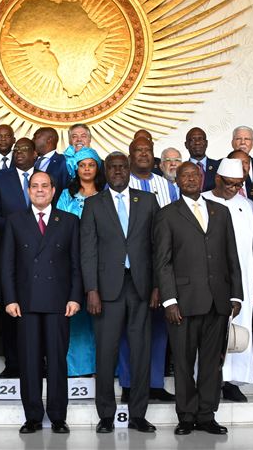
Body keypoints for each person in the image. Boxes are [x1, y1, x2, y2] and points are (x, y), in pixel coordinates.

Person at [153, 162, 243, 435]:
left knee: (211, 364)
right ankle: (186, 416)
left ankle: (206, 415)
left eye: (195, 174)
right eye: (185, 176)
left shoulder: (221, 212)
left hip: (218, 301)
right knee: (182, 362)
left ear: (202, 178)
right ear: (177, 181)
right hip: (182, 302)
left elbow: (232, 256)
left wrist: (236, 294)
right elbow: (163, 262)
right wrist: (169, 300)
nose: (191, 179)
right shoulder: (167, 214)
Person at [81, 152, 159, 434]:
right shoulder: (93, 204)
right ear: (106, 170)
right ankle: (106, 415)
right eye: (112, 167)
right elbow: (87, 250)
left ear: (129, 169)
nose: (117, 171)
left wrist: (157, 286)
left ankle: (138, 414)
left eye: (121, 166)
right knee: (106, 353)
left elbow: (157, 247)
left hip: (141, 287)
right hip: (107, 290)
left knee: (141, 352)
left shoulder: (148, 201)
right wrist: (91, 290)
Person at [1, 171, 82, 434]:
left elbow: (76, 264)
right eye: (34, 186)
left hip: (59, 301)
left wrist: (74, 296)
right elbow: (7, 264)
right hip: (25, 302)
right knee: (29, 361)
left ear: (53, 189)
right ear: (28, 190)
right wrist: (10, 298)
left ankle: (58, 416)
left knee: (58, 361)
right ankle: (33, 416)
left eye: (44, 186)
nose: (39, 190)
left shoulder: (69, 221)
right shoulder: (15, 221)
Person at [119, 138, 175, 402]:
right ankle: (129, 384)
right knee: (125, 329)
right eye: (137, 150)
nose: (143, 154)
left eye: (147, 151)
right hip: (125, 269)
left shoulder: (165, 184)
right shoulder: (119, 183)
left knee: (157, 329)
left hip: (159, 265)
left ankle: (154, 383)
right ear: (130, 155)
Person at [202, 159, 253, 402]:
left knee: (238, 329)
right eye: (229, 184)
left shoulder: (247, 205)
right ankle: (207, 380)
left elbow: (251, 248)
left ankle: (232, 382)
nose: (233, 189)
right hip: (207, 278)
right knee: (208, 330)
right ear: (217, 179)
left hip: (241, 279)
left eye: (238, 185)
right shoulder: (201, 201)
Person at [0, 137, 40, 378]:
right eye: (16, 150)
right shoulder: (1, 179)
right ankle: (12, 363)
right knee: (11, 309)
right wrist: (18, 227)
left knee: (39, 309)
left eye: (24, 149)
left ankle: (40, 362)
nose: (18, 153)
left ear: (35, 154)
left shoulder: (43, 179)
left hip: (42, 256)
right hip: (11, 252)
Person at [56, 147, 103, 377]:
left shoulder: (105, 193)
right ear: (76, 168)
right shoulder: (66, 194)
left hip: (100, 262)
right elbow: (60, 226)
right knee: (76, 316)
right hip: (72, 259)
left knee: (101, 316)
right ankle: (76, 369)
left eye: (91, 165)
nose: (86, 169)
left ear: (97, 168)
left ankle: (102, 367)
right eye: (82, 165)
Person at [33, 127, 69, 200]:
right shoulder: (30, 160)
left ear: (49, 139)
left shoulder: (63, 162)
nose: (32, 140)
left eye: (35, 137)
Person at [184, 126, 219, 191]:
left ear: (206, 143)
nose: (197, 143)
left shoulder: (219, 166)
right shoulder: (181, 169)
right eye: (193, 139)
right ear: (186, 145)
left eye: (200, 139)